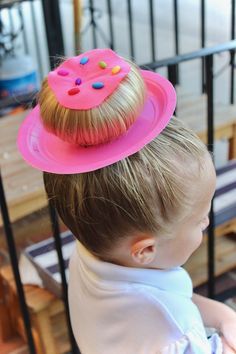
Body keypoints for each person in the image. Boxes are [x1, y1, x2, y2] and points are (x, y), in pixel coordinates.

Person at [17, 48, 236, 354]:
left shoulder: (93, 253)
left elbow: (167, 297)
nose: (208, 222)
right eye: (200, 220)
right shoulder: (176, 336)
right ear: (145, 250)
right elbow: (168, 312)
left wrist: (224, 316)